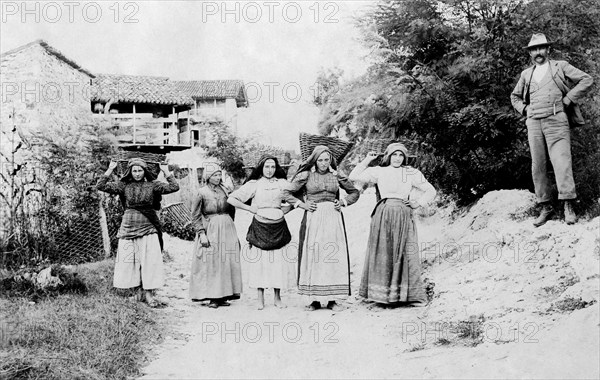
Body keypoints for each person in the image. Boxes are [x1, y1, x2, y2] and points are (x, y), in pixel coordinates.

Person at [510, 33, 593, 227]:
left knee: (561, 162)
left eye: (541, 48)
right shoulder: (526, 74)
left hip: (557, 120)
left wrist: (568, 98)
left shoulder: (560, 66)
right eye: (533, 49)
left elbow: (586, 79)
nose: (538, 52)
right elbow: (514, 97)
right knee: (538, 165)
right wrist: (524, 109)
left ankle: (568, 205)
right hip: (534, 123)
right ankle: (545, 206)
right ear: (530, 53)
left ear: (548, 49)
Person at [349, 143, 436, 306]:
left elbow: (431, 190)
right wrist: (367, 159)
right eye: (394, 154)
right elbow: (354, 176)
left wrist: (418, 203)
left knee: (405, 252)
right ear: (388, 156)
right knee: (383, 251)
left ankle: (407, 296)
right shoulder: (379, 171)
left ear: (404, 157)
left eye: (401, 155)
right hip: (383, 214)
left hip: (403, 214)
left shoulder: (411, 172)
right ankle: (380, 296)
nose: (397, 158)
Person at [283, 145, 360, 311]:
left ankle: (332, 299)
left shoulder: (337, 175)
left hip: (333, 218)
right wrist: (302, 204)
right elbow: (286, 193)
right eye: (320, 160)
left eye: (327, 160)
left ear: (331, 160)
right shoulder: (306, 175)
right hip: (314, 218)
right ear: (314, 160)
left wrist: (343, 202)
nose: (324, 163)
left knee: (332, 257)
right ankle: (314, 300)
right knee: (314, 256)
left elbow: (354, 192)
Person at [97, 159, 179, 307]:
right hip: (128, 227)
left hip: (148, 226)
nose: (137, 174)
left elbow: (174, 187)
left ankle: (149, 295)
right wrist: (110, 168)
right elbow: (100, 186)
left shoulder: (153, 185)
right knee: (130, 260)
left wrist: (166, 170)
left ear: (145, 171)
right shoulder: (124, 185)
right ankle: (137, 293)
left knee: (150, 261)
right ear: (130, 171)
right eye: (134, 171)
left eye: (140, 170)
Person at [227, 155, 296, 310]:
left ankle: (278, 298)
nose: (270, 170)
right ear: (261, 168)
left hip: (278, 228)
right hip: (260, 227)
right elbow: (232, 199)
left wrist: (289, 208)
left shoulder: (282, 183)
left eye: (272, 167)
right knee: (260, 264)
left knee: (278, 263)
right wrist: (249, 208)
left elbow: (298, 195)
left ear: (276, 168)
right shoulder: (254, 184)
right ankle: (260, 299)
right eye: (266, 166)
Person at [189, 163, 242, 308]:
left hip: (227, 227)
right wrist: (201, 234)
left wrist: (230, 226)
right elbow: (195, 215)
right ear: (208, 176)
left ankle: (224, 295)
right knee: (212, 263)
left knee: (226, 262)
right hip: (210, 228)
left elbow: (232, 210)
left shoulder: (225, 190)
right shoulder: (201, 192)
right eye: (215, 175)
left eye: (219, 175)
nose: (218, 178)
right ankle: (213, 296)